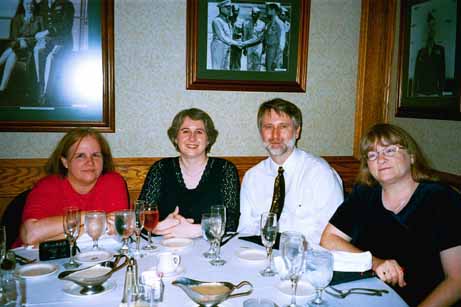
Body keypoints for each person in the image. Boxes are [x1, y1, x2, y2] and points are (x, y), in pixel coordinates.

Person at [320, 123, 461, 307]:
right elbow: (329, 239)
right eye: (372, 154)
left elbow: (457, 281)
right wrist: (374, 262)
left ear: (411, 156)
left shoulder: (442, 199)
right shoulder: (365, 194)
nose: (381, 159)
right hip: (371, 296)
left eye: (390, 150)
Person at [238, 98, 344, 244]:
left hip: (307, 258)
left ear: (297, 131)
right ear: (260, 132)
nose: (275, 135)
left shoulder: (320, 173)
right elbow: (245, 231)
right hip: (260, 256)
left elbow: (333, 236)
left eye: (283, 127)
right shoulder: (252, 177)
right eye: (268, 127)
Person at [17, 128, 129, 247]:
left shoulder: (113, 182)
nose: (90, 162)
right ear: (65, 162)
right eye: (80, 156)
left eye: (95, 155)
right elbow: (30, 236)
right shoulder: (48, 186)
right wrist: (87, 217)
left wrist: (46, 240)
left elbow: (119, 231)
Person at [138, 108, 240, 238]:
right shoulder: (160, 168)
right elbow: (140, 215)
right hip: (166, 247)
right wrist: (156, 226)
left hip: (210, 248)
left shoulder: (226, 169)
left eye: (199, 132)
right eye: (185, 131)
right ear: (175, 138)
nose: (192, 138)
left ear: (208, 139)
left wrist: (199, 230)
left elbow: (231, 221)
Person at [33, 0, 75, 104]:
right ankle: (41, 87)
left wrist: (46, 32)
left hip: (63, 41)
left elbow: (66, 26)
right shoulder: (41, 5)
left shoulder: (67, 5)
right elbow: (37, 23)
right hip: (48, 41)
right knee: (38, 51)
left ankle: (46, 93)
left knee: (51, 57)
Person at [0, 0, 44, 94]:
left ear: (34, 5)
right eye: (27, 4)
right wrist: (22, 39)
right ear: (23, 5)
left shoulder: (39, 19)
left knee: (14, 50)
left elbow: (40, 36)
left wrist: (25, 39)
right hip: (18, 48)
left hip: (32, 48)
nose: (29, 6)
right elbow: (14, 37)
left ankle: (2, 87)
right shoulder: (17, 19)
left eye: (31, 4)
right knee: (12, 55)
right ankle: (2, 89)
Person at [413, 12, 446, 96]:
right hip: (421, 92)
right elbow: (416, 74)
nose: (431, 29)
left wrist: (440, 92)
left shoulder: (440, 50)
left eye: (433, 25)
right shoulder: (421, 52)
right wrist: (415, 92)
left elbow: (442, 72)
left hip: (435, 92)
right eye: (429, 26)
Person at [210, 0, 241, 70]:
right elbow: (223, 37)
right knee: (217, 69)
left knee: (225, 69)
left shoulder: (227, 21)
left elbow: (229, 35)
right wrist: (237, 43)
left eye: (230, 8)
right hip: (218, 48)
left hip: (227, 48)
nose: (230, 10)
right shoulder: (217, 21)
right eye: (227, 8)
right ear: (221, 8)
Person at [242, 7, 265, 71]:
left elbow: (263, 38)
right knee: (249, 64)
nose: (253, 15)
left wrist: (264, 48)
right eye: (253, 13)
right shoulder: (246, 24)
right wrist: (244, 48)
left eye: (255, 14)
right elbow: (245, 36)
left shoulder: (262, 24)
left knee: (257, 64)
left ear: (259, 15)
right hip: (249, 47)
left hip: (258, 46)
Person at [264, 2, 285, 72]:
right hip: (269, 51)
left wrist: (276, 60)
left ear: (273, 10)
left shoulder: (279, 24)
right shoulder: (269, 23)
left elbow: (282, 43)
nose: (266, 10)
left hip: (275, 53)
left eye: (268, 8)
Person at [229, 4, 244, 71]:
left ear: (239, 11)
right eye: (234, 11)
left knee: (238, 61)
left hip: (238, 43)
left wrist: (244, 46)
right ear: (232, 10)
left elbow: (244, 33)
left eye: (237, 11)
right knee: (231, 61)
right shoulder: (228, 19)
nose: (236, 12)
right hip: (230, 43)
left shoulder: (241, 21)